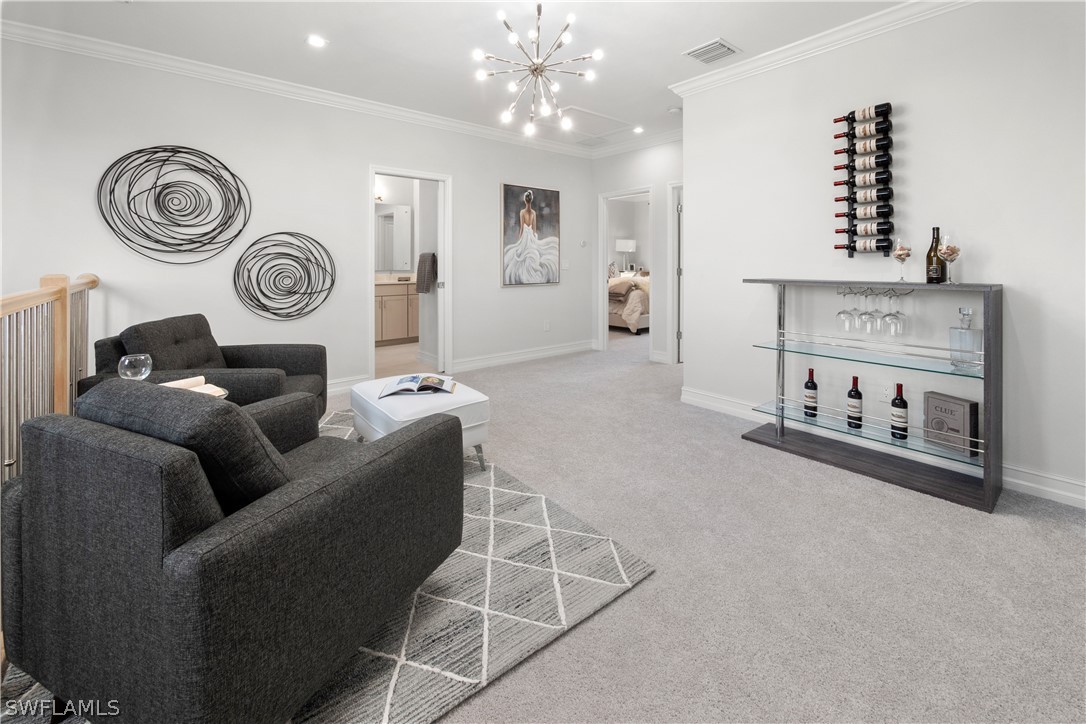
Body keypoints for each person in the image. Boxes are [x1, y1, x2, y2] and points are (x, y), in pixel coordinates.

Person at [504, 189, 559, 285]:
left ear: (525, 200)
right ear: (531, 200)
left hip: (525, 234)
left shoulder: (522, 212)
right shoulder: (533, 212)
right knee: (532, 253)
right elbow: (534, 228)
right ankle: (532, 272)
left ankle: (526, 274)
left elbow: (521, 228)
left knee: (523, 254)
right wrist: (534, 237)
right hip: (531, 235)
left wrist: (520, 239)